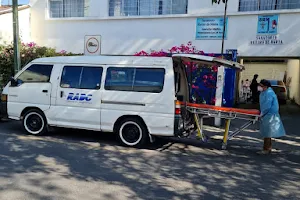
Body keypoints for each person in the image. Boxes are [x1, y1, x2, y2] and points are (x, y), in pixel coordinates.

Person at [258, 79, 286, 154]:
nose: (259, 87)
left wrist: (262, 114)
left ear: (266, 86)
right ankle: (268, 148)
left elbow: (267, 106)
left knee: (267, 133)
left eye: (261, 86)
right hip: (267, 114)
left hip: (269, 114)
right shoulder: (264, 92)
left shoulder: (269, 93)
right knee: (267, 133)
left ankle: (266, 149)